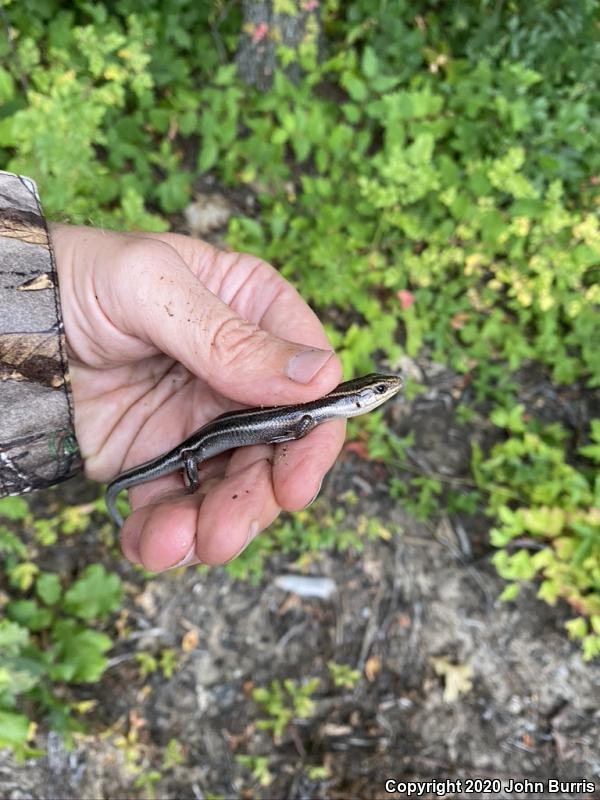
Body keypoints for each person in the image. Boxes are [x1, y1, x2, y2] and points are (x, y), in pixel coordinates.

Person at [0, 170, 344, 572]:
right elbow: (295, 426)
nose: (381, 395)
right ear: (354, 399)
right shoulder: (306, 413)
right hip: (190, 449)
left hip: (190, 435)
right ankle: (160, 483)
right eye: (376, 392)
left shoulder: (308, 412)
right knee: (192, 462)